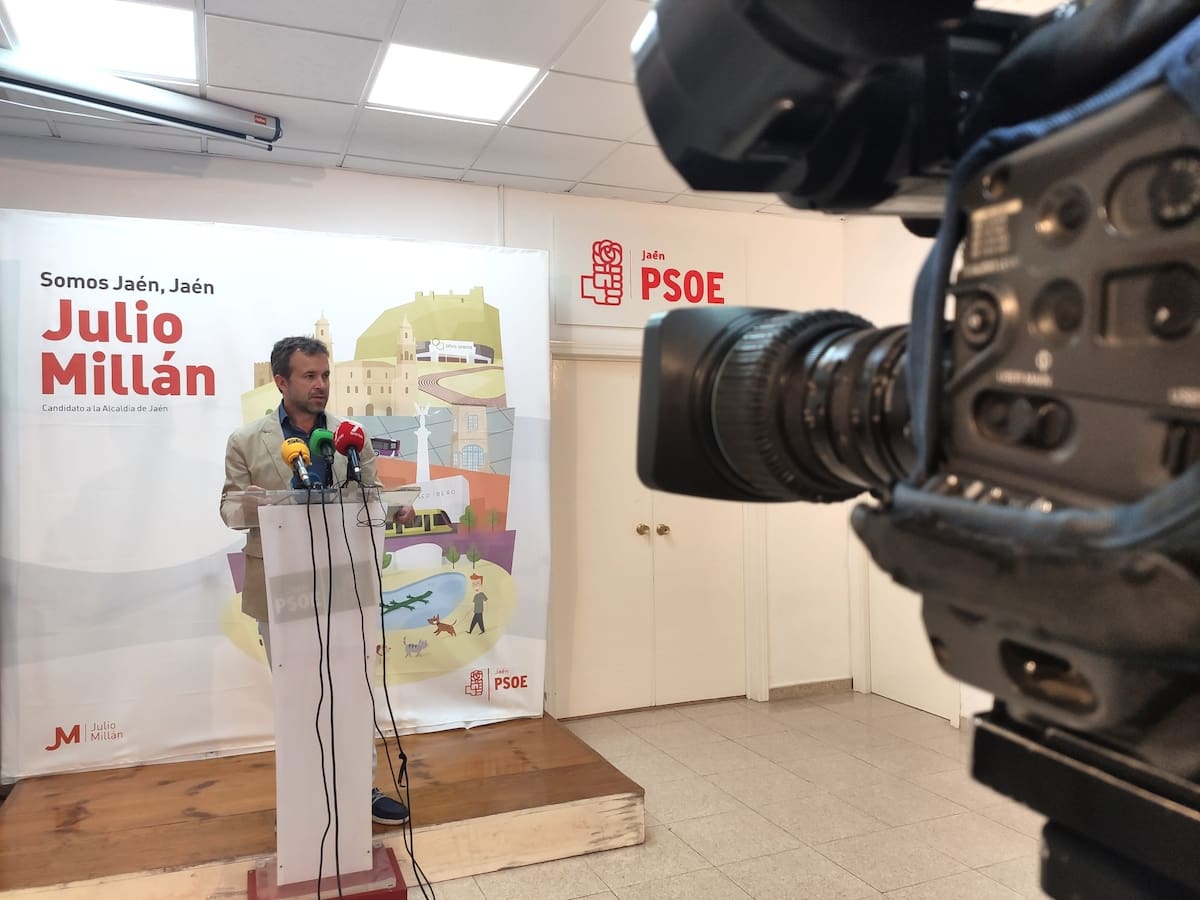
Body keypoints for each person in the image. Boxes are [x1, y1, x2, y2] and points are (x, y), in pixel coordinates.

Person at [220, 335, 414, 827]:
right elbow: (229, 511)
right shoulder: (246, 440)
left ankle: (361, 789)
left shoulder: (352, 437)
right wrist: (253, 504)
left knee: (354, 693)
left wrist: (396, 508)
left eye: (325, 375)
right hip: (280, 590)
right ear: (281, 381)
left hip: (346, 586)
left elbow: (371, 497)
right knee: (299, 698)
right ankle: (306, 798)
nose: (321, 384)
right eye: (309, 376)